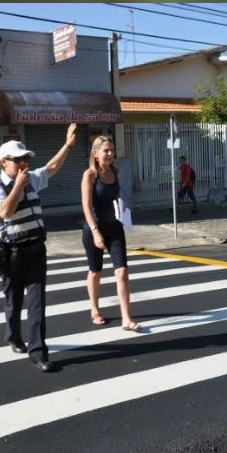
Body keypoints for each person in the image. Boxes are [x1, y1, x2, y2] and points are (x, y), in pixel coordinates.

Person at [0, 123, 78, 372]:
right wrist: (18, 186)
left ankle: (38, 353)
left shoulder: (31, 180)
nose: (24, 164)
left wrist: (68, 146)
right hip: (11, 253)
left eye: (25, 159)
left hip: (36, 249)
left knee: (37, 303)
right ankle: (13, 335)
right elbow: (4, 212)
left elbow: (51, 167)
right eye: (18, 160)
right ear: (4, 162)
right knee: (13, 299)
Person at [81, 136, 141, 331]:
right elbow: (87, 207)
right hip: (94, 228)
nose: (110, 154)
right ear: (95, 153)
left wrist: (123, 210)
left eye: (111, 150)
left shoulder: (116, 172)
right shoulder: (90, 175)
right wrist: (95, 232)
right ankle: (94, 309)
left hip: (114, 227)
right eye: (106, 150)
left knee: (122, 272)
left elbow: (115, 198)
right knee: (95, 271)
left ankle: (126, 318)